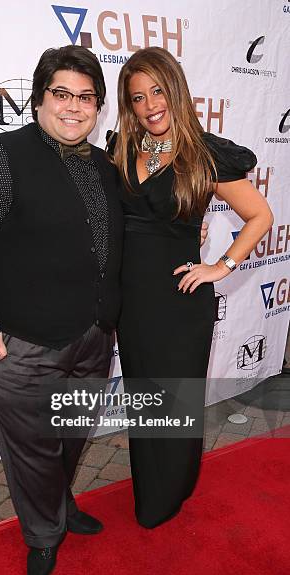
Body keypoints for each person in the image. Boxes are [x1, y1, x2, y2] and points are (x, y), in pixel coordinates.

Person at [0, 45, 125, 575]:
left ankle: (60, 508)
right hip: (17, 341)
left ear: (98, 106)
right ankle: (44, 533)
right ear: (39, 99)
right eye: (61, 94)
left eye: (86, 97)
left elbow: (114, 240)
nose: (74, 107)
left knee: (71, 434)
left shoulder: (105, 165)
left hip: (92, 334)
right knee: (33, 448)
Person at [110, 47, 273, 529]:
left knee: (174, 401)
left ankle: (170, 493)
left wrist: (221, 265)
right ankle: (151, 491)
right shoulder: (121, 148)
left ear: (175, 91)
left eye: (157, 91)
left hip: (180, 304)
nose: (149, 104)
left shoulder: (204, 154)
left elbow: (260, 216)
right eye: (137, 97)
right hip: (131, 303)